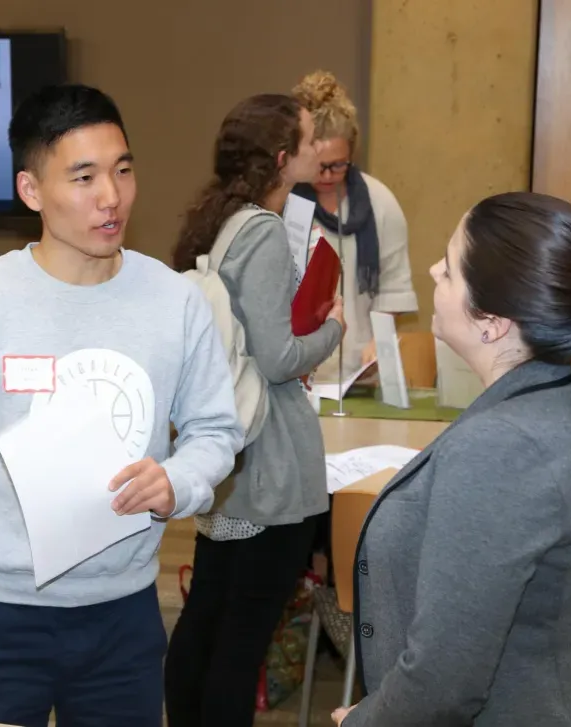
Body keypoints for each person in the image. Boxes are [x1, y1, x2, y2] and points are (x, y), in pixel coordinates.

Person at [0, 83, 243, 727]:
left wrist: (176, 479)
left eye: (122, 170)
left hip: (125, 616)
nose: (111, 197)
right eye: (84, 176)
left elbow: (215, 431)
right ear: (32, 191)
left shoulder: (173, 301)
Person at [333, 192, 571, 726]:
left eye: (449, 269)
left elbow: (445, 677)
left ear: (491, 321)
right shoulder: (560, 391)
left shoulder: (504, 446)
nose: (432, 270)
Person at [164, 93, 344, 727]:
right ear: (281, 156)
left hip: (230, 453)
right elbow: (276, 357)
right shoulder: (265, 232)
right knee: (243, 635)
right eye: (308, 138)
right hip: (266, 462)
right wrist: (333, 329)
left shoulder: (219, 218)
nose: (319, 149)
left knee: (209, 615)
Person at [291, 70, 419, 381]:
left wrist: (379, 344)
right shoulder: (285, 205)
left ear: (352, 153)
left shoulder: (381, 202)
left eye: (339, 165)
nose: (327, 176)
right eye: (319, 166)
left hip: (357, 379)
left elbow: (393, 288)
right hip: (296, 376)